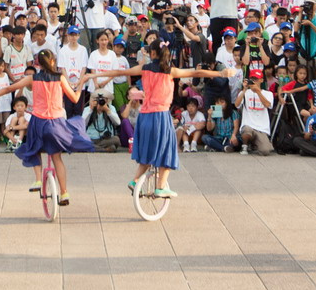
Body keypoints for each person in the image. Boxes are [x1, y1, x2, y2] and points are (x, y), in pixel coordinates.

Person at [91, 41, 233, 198]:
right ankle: (160, 187)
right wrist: (220, 73)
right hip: (160, 116)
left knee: (147, 152)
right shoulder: (170, 71)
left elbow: (118, 72)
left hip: (144, 116)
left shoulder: (144, 68)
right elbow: (197, 73)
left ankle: (134, 181)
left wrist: (94, 75)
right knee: (167, 151)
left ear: (152, 54)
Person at [0, 49, 92, 207]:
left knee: (33, 148)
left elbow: (8, 89)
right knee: (57, 158)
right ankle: (64, 192)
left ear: (37, 63)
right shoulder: (59, 78)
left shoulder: (33, 78)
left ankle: (38, 179)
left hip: (39, 121)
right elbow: (74, 98)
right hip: (56, 122)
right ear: (53, 61)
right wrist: (81, 82)